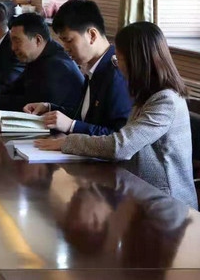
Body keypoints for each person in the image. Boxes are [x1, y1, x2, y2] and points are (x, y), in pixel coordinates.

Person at [36, 22, 198, 209]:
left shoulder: (165, 100)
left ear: (136, 61)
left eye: (118, 59)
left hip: (168, 204)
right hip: (140, 193)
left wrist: (67, 142)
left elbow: (121, 146)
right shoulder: (146, 95)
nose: (117, 66)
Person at [23, 0, 131, 136]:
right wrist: (49, 108)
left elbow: (119, 136)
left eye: (69, 40)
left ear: (92, 35)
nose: (66, 48)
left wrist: (72, 126)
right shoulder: (94, 67)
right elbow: (85, 117)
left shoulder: (118, 72)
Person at [0, 13, 84, 113]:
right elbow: (16, 88)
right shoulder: (38, 56)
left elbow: (33, 105)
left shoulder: (56, 65)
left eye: (17, 41)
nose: (13, 48)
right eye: (12, 41)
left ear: (38, 40)